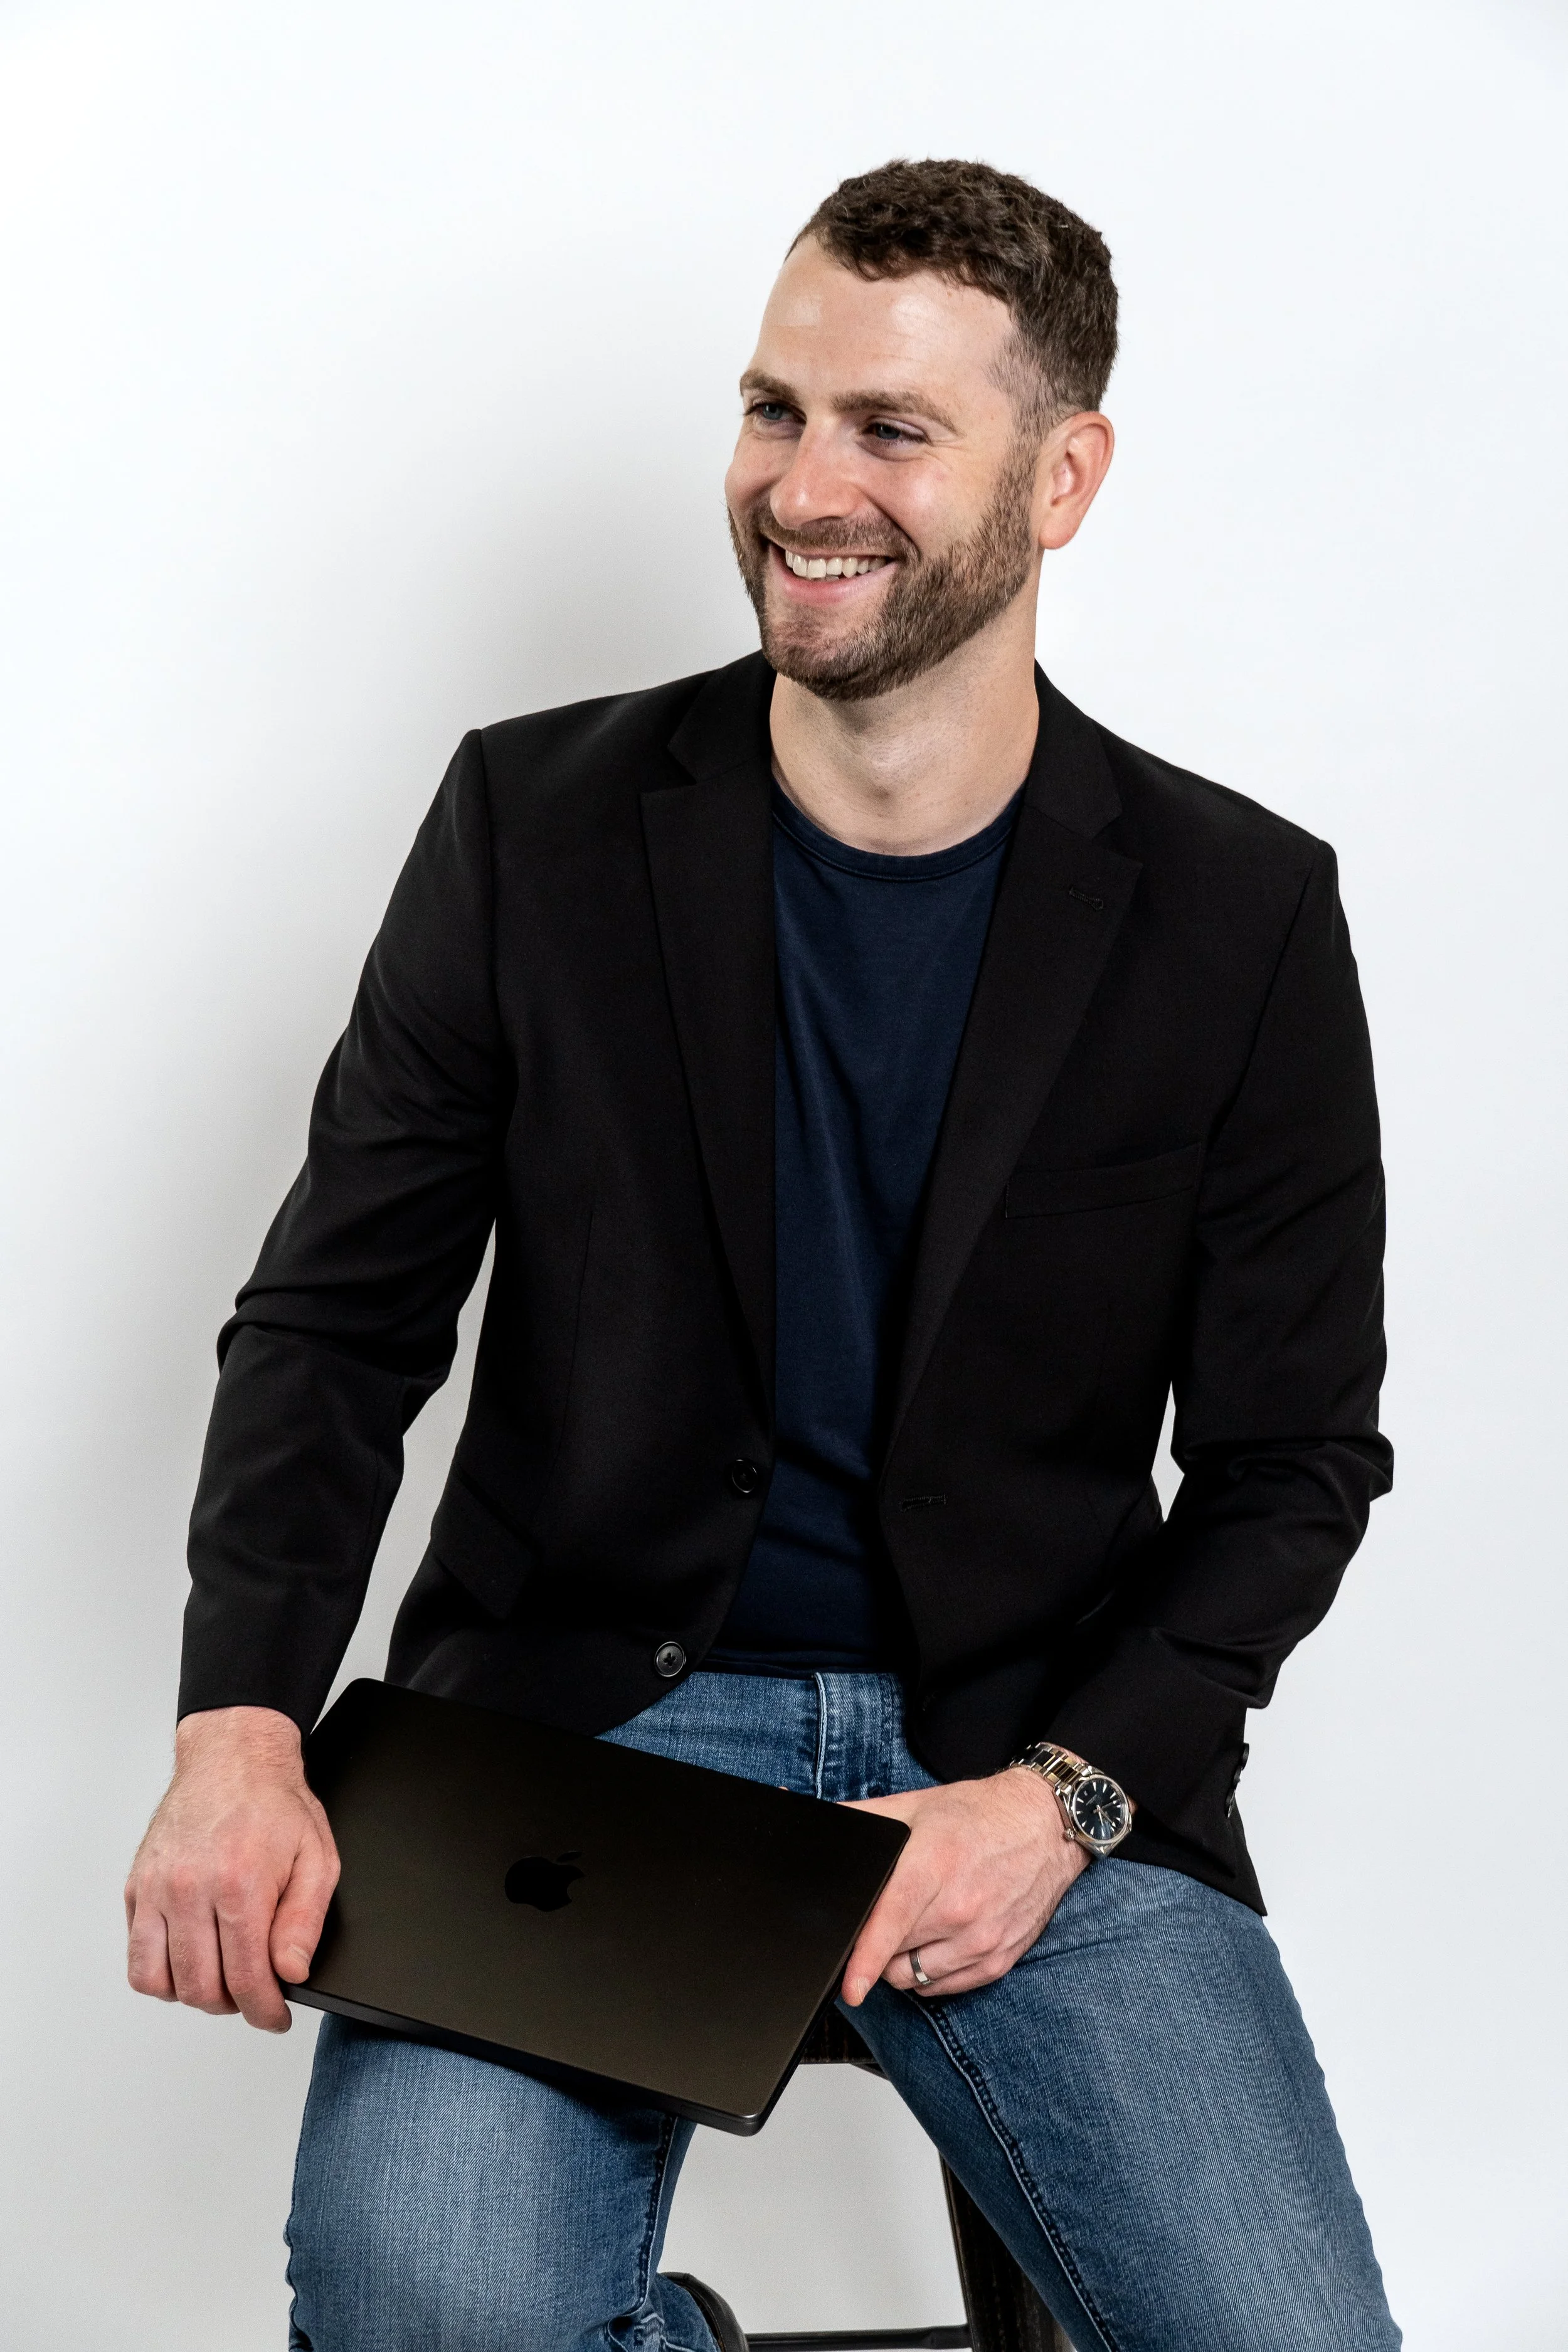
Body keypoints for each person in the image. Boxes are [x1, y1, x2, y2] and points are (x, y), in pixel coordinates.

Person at [124, 159, 1401, 2352]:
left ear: (1061, 476)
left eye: (891, 429)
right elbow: (339, 1320)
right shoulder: (533, 827)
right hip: (580, 1744)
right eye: (773, 409)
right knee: (434, 2318)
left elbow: (1293, 1463)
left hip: (1022, 1757)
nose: (805, 487)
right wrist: (237, 1724)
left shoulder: (1237, 914)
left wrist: (1055, 1801)